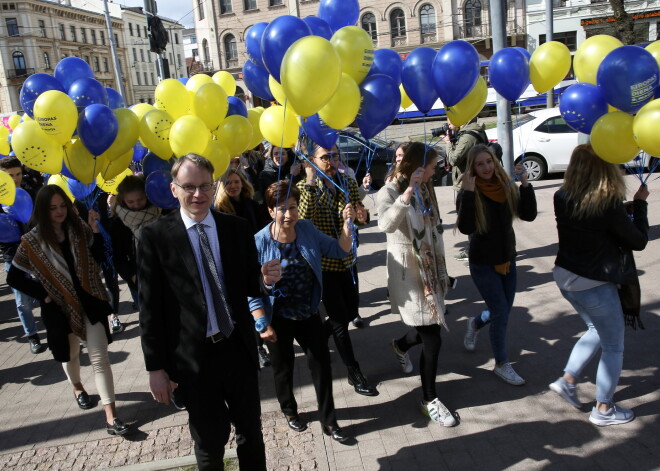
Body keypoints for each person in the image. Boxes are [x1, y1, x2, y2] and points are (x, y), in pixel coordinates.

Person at [138, 154, 273, 470]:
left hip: (237, 349)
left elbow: (248, 284)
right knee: (210, 442)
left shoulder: (236, 228)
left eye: (204, 186)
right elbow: (149, 308)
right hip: (194, 360)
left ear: (214, 187)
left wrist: (263, 278)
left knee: (251, 435)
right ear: (174, 190)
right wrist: (155, 367)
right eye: (189, 187)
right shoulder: (155, 237)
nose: (198, 194)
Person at [7, 185, 130, 436]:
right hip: (60, 308)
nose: (59, 211)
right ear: (43, 210)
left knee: (100, 358)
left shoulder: (79, 229)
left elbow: (97, 256)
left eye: (62, 205)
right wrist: (44, 294)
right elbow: (14, 277)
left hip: (90, 299)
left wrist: (95, 230)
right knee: (71, 354)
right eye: (53, 208)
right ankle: (77, 387)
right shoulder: (32, 240)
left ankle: (111, 417)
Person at [549, 144, 649, 426]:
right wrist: (640, 205)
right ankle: (603, 409)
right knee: (614, 346)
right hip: (592, 282)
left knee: (595, 329)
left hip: (565, 276)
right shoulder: (607, 203)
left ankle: (568, 381)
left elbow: (589, 223)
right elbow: (638, 241)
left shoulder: (561, 195)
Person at [249, 180, 353, 442]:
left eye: (293, 207)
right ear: (270, 211)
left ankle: (329, 421)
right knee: (283, 370)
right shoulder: (259, 241)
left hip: (308, 313)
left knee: (322, 367)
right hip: (278, 318)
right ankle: (290, 411)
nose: (288, 214)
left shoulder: (306, 229)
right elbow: (251, 291)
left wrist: (347, 226)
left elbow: (339, 249)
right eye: (281, 208)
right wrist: (263, 323)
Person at [377, 142, 456, 426]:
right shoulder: (388, 190)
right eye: (433, 166)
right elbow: (385, 224)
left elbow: (433, 227)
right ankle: (429, 399)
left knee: (427, 330)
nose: (436, 171)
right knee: (433, 337)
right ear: (417, 165)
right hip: (410, 277)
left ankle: (399, 345)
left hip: (430, 272)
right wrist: (407, 193)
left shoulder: (427, 187)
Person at [297, 142, 378, 397]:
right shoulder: (304, 188)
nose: (330, 161)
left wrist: (361, 216)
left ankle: (317, 339)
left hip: (349, 260)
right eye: (324, 157)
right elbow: (302, 220)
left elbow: (362, 216)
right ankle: (354, 372)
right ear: (312, 161)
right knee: (341, 321)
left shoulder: (347, 182)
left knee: (351, 310)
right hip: (325, 264)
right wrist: (310, 182)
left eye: (334, 156)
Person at [457, 144, 537, 386]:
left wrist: (525, 184)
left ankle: (475, 322)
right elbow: (466, 228)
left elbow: (529, 215)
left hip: (508, 259)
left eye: (489, 162)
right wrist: (469, 193)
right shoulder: (469, 191)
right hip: (483, 263)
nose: (486, 167)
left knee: (501, 310)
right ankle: (502, 364)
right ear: (473, 167)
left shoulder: (505, 186)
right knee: (501, 313)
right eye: (480, 164)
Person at [214, 168, 271, 367]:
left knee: (260, 302)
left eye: (236, 181)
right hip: (234, 265)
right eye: (228, 183)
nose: (233, 186)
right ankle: (257, 347)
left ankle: (262, 338)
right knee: (247, 308)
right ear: (221, 187)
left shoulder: (252, 204)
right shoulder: (219, 210)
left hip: (256, 260)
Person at [0, 156, 45, 354]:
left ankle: (53, 326)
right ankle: (32, 336)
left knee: (47, 292)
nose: (15, 179)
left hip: (37, 248)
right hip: (12, 254)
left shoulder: (29, 188)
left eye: (18, 174)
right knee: (22, 301)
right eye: (10, 176)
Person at [108, 175, 161, 312]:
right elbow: (118, 256)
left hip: (165, 272)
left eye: (140, 200)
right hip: (139, 279)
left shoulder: (160, 210)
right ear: (122, 200)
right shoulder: (118, 223)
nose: (136, 205)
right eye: (130, 202)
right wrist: (131, 276)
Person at [445, 117, 488, 261]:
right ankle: (473, 249)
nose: (448, 121)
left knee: (471, 219)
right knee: (473, 218)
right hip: (469, 181)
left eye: (451, 117)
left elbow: (454, 159)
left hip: (469, 183)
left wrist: (447, 144)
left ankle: (476, 253)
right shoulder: (468, 133)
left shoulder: (468, 136)